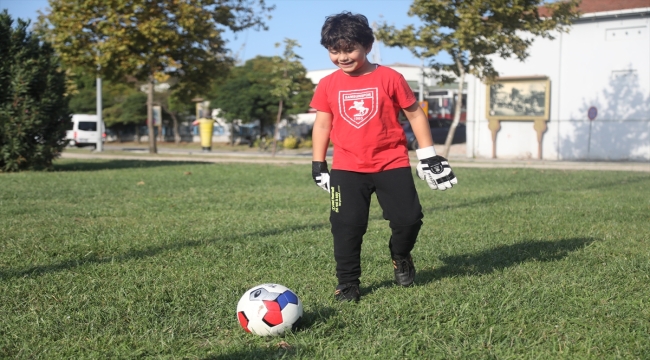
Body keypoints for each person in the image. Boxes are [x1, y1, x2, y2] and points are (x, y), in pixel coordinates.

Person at [310, 11, 458, 302]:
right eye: (334, 51)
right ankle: (348, 283)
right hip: (347, 167)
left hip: (392, 162)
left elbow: (414, 114)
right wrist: (318, 163)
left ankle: (400, 255)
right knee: (346, 227)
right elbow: (323, 124)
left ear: (367, 45)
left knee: (409, 219)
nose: (342, 57)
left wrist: (428, 155)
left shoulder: (390, 77)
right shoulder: (327, 84)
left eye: (349, 49)